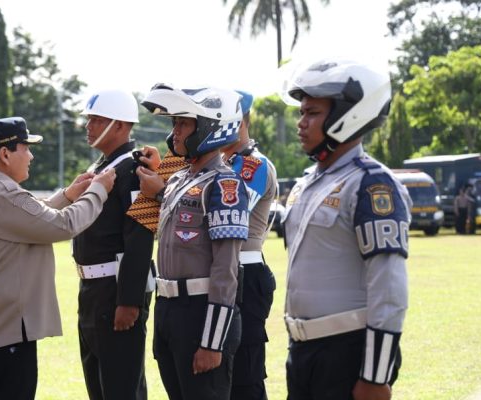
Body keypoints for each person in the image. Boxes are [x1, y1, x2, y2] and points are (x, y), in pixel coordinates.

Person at [0, 116, 116, 400]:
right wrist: (99, 190)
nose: (31, 155)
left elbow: (28, 217)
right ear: (5, 154)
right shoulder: (0, 193)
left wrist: (68, 194)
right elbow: (62, 225)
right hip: (4, 332)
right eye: (25, 148)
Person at [280, 59, 411, 400]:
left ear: (345, 115)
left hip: (347, 353)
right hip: (303, 352)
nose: (301, 123)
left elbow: (389, 285)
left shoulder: (371, 183)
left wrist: (376, 375)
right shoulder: (308, 183)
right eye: (301, 112)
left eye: (312, 113)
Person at [136, 84, 248, 400]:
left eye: (183, 124)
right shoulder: (181, 179)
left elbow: (226, 271)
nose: (175, 133)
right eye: (175, 124)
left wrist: (212, 342)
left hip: (201, 315)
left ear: (210, 127)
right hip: (169, 309)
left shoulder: (224, 183)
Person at [72, 89, 154, 400]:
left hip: (116, 291)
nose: (88, 126)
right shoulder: (102, 168)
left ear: (120, 125)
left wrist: (130, 301)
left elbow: (140, 238)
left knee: (122, 388)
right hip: (92, 292)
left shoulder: (135, 170)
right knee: (99, 387)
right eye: (89, 119)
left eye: (96, 119)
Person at [221, 90, 278, 400]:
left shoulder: (252, 165)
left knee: (245, 377)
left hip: (246, 274)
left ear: (240, 122)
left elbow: (229, 213)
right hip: (224, 272)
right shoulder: (221, 163)